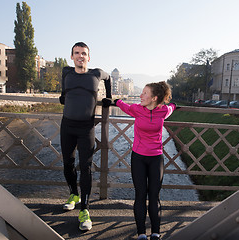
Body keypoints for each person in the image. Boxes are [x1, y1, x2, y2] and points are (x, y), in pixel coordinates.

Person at [59, 42, 112, 231]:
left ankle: (85, 210)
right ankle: (74, 194)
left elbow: (109, 78)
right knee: (67, 164)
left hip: (86, 128)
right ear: (72, 56)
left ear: (88, 57)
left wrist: (110, 98)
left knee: (86, 168)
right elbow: (64, 92)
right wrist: (63, 95)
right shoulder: (66, 72)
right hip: (67, 126)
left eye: (84, 53)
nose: (80, 56)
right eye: (77, 53)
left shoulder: (96, 74)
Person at [114, 81, 176, 240]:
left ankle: (155, 233)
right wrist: (115, 101)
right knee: (140, 195)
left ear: (154, 98)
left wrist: (175, 105)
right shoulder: (136, 109)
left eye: (144, 93)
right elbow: (124, 106)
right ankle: (141, 234)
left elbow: (171, 108)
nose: (140, 96)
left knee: (154, 196)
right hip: (139, 158)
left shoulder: (163, 111)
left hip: (156, 158)